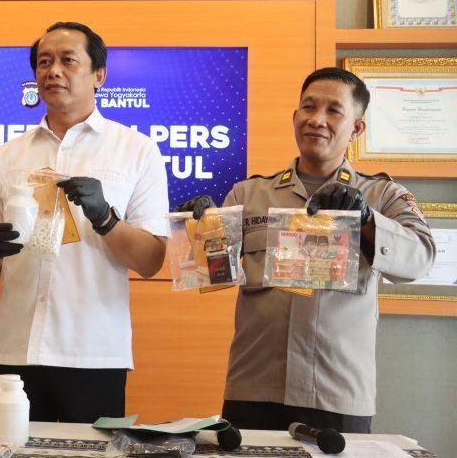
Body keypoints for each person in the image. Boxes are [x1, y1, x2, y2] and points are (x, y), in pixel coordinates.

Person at [180, 67, 435, 433]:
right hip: (253, 390)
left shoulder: (383, 195)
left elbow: (420, 259)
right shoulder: (248, 194)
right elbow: (210, 272)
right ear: (295, 116)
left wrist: (366, 218)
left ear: (357, 128)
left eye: (334, 110)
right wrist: (198, 226)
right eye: (309, 107)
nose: (316, 119)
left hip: (335, 393)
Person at [0, 22, 169, 422]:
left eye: (67, 61)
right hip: (14, 350)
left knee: (90, 451)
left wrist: (106, 219)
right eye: (44, 62)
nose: (53, 71)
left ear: (99, 75)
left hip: (93, 353)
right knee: (12, 450)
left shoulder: (137, 151)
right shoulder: (7, 155)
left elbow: (151, 261)